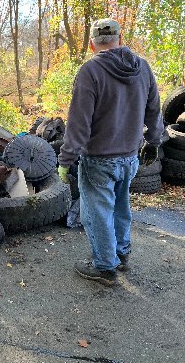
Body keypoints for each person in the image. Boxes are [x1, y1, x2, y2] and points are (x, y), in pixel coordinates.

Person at [57, 18, 164, 286]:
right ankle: (121, 253)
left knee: (97, 213)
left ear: (93, 43)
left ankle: (105, 267)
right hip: (130, 156)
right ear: (119, 38)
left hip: (99, 160)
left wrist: (66, 159)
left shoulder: (90, 71)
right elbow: (154, 110)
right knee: (120, 206)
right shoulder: (143, 68)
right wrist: (153, 140)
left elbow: (79, 123)